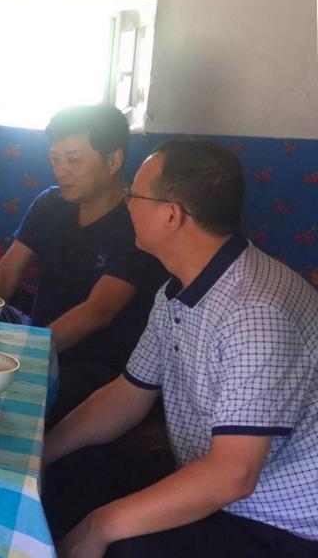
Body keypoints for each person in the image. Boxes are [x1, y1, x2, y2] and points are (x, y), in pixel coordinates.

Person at [42, 139, 318, 558]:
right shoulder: (181, 284)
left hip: (275, 521)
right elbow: (129, 394)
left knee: (125, 547)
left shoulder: (255, 312)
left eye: (133, 194)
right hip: (210, 479)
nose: (126, 203)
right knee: (67, 477)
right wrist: (42, 452)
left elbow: (234, 475)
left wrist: (100, 526)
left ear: (171, 214)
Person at [0, 105, 167, 422]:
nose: (61, 171)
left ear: (113, 160)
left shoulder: (135, 222)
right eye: (54, 159)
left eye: (73, 160)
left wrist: (25, 354)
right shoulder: (51, 203)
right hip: (38, 329)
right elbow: (5, 274)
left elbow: (98, 311)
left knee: (19, 394)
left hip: (92, 359)